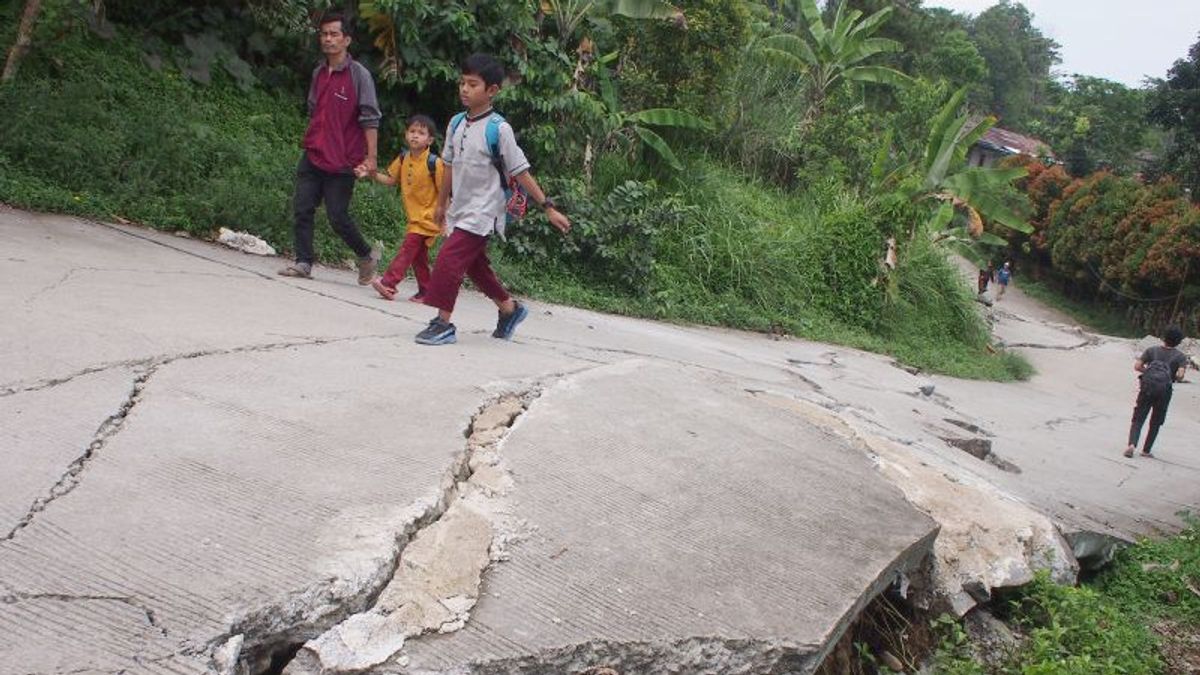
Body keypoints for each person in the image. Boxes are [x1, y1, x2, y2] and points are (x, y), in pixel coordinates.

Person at [414, 53, 571, 346]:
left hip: (484, 211)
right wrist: (441, 204)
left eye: (472, 84)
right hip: (460, 208)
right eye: (462, 83)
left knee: (448, 259)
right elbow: (448, 164)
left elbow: (520, 171)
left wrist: (548, 207)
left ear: (492, 91)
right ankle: (509, 309)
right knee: (475, 266)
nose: (464, 89)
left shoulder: (499, 129)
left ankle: (442, 323)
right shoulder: (456, 123)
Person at [278, 12, 381, 284]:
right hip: (314, 152)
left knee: (337, 216)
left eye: (334, 34)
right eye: (324, 34)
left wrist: (371, 158)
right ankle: (303, 262)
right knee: (302, 207)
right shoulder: (319, 73)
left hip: (344, 159)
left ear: (347, 39)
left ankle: (366, 255)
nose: (328, 39)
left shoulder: (359, 76)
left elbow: (370, 118)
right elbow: (314, 110)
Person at [362, 114, 445, 302]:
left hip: (429, 218)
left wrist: (445, 219)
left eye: (421, 133)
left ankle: (389, 283)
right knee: (418, 257)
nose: (415, 136)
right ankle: (427, 291)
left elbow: (444, 193)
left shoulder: (435, 163)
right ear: (406, 134)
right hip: (414, 217)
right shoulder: (403, 158)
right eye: (412, 131)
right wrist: (372, 174)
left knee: (408, 248)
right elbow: (391, 180)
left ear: (430, 140)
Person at [1124, 325, 1189, 458]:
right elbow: (1180, 375)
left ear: (1163, 337)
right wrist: (1171, 376)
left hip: (1147, 388)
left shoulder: (1151, 350)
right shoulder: (1180, 357)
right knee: (1156, 420)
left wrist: (1148, 372)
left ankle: (1132, 444)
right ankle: (1146, 450)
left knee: (1139, 417)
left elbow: (1137, 366)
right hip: (1164, 392)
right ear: (1179, 341)